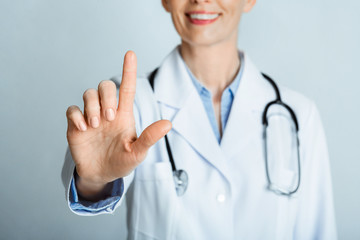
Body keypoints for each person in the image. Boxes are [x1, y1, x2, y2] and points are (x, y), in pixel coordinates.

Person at [62, 0, 337, 239]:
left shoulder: (299, 115)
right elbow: (93, 185)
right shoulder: (128, 106)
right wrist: (95, 181)